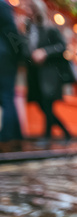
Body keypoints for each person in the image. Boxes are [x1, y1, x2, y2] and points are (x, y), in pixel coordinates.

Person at [23, 0, 72, 140]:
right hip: (35, 73)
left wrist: (45, 52)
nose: (26, 10)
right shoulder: (28, 28)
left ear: (36, 10)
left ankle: (47, 136)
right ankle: (65, 131)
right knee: (40, 103)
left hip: (49, 74)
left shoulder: (50, 28)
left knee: (47, 103)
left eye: (29, 8)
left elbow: (63, 46)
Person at [0, 0, 24, 143]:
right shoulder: (3, 5)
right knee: (7, 95)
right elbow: (11, 31)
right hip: (5, 56)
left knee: (5, 95)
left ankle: (16, 133)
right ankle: (9, 134)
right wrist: (20, 55)